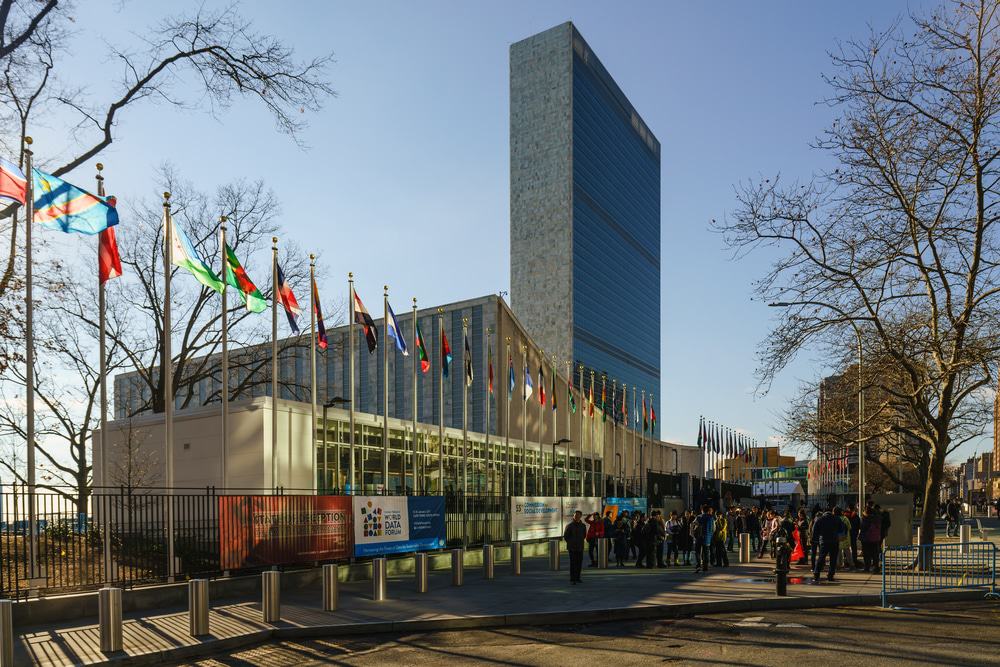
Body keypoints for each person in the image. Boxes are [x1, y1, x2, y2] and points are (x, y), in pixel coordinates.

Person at [811, 507, 845, 582]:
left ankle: (816, 574)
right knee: (833, 559)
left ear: (824, 512)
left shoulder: (819, 519)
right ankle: (830, 575)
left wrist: (815, 539)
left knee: (821, 558)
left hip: (824, 541)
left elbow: (815, 531)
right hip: (834, 541)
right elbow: (841, 529)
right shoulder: (837, 519)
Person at [564, 510, 587, 584]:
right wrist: (571, 543)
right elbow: (566, 536)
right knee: (573, 563)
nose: (576, 516)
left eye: (578, 515)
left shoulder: (583, 526)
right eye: (575, 515)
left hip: (580, 547)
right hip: (572, 548)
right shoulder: (570, 525)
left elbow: (584, 535)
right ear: (573, 516)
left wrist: (579, 542)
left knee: (579, 563)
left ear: (580, 516)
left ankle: (578, 577)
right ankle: (572, 578)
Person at [693, 505, 715, 573]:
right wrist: (710, 536)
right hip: (707, 538)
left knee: (697, 552)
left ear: (702, 510)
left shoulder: (699, 517)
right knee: (706, 553)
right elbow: (713, 529)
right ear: (708, 510)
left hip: (699, 537)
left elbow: (694, 524)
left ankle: (698, 565)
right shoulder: (711, 518)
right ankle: (705, 567)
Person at [860, 507, 881, 572]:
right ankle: (876, 567)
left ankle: (867, 567)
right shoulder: (877, 519)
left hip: (866, 539)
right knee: (875, 553)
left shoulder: (866, 519)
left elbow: (863, 528)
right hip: (875, 539)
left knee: (866, 554)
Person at [846, 502, 862, 568]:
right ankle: (854, 559)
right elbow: (859, 526)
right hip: (854, 533)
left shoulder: (845, 516)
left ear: (848, 508)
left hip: (846, 534)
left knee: (846, 547)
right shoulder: (856, 516)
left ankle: (847, 560)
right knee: (853, 546)